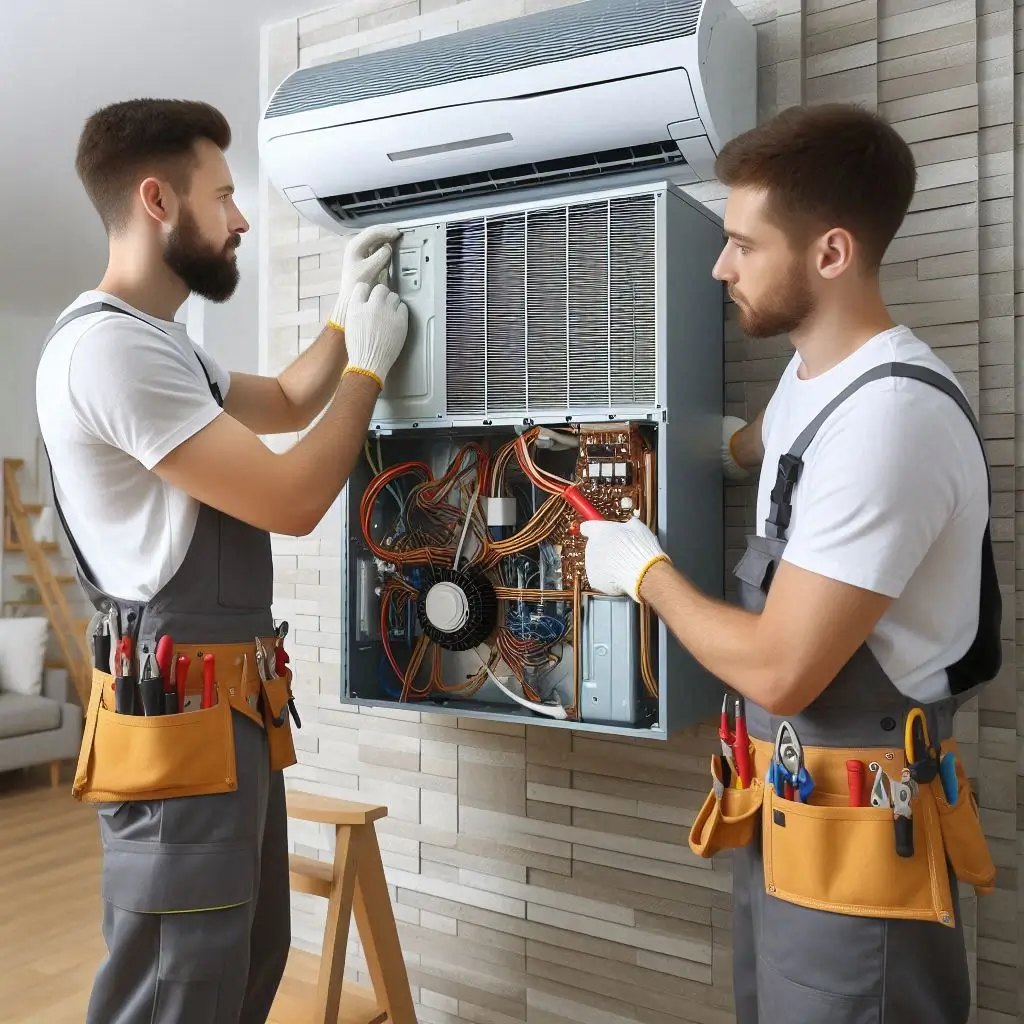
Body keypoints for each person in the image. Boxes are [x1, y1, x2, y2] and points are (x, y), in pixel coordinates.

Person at [579, 102, 1000, 1024]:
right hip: (784, 812)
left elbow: (783, 665)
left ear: (832, 255)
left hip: (860, 842)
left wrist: (642, 570)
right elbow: (754, 448)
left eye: (743, 243)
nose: (719, 264)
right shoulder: (814, 371)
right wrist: (638, 443)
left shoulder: (891, 419)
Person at [35, 98, 410, 1024]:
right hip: (180, 721)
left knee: (245, 959)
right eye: (226, 196)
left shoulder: (161, 344)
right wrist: (367, 373)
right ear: (159, 201)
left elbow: (283, 400)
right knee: (177, 982)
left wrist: (339, 324)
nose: (242, 219)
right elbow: (288, 498)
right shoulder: (108, 352)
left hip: (228, 713)